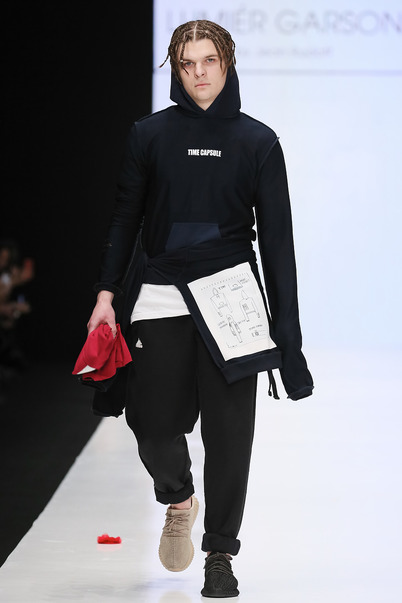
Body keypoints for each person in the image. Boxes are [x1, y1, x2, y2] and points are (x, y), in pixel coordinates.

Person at [86, 20, 313, 598]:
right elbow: (126, 218)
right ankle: (179, 498)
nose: (199, 73)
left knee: (231, 436)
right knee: (153, 426)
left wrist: (287, 335)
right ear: (176, 69)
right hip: (161, 290)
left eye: (208, 60)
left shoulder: (258, 142)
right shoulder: (149, 135)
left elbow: (278, 243)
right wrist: (107, 295)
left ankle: (220, 553)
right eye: (187, 63)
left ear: (227, 62)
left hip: (233, 295)